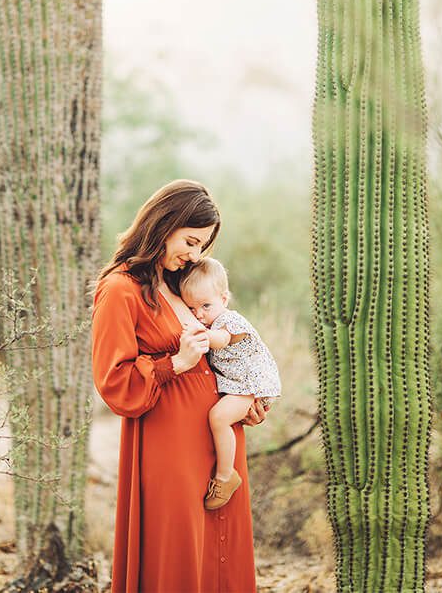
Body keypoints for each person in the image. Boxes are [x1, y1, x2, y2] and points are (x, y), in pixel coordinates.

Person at [91, 179, 269, 592]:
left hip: (220, 437)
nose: (195, 254)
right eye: (189, 241)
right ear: (163, 224)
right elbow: (112, 379)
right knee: (176, 550)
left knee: (220, 547)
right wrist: (175, 363)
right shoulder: (119, 289)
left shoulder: (182, 283)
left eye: (202, 246)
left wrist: (248, 398)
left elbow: (222, 351)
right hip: (167, 445)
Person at [177, 258, 282, 511]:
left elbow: (222, 340)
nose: (199, 314)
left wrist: (199, 333)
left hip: (249, 385)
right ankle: (225, 473)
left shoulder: (228, 321)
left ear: (223, 300)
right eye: (191, 308)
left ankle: (225, 476)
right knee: (219, 417)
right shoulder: (211, 318)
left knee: (219, 418)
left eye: (205, 306)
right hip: (239, 383)